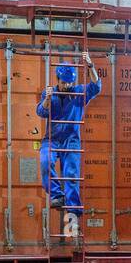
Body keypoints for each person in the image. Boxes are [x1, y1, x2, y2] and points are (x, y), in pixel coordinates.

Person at [36, 53, 102, 213]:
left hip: (71, 140)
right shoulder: (49, 93)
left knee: (71, 174)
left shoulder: (79, 92)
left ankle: (73, 211)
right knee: (45, 161)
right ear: (57, 80)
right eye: (64, 82)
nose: (67, 85)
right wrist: (47, 99)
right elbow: (41, 112)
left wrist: (91, 65)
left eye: (70, 82)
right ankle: (57, 196)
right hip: (51, 139)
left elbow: (96, 87)